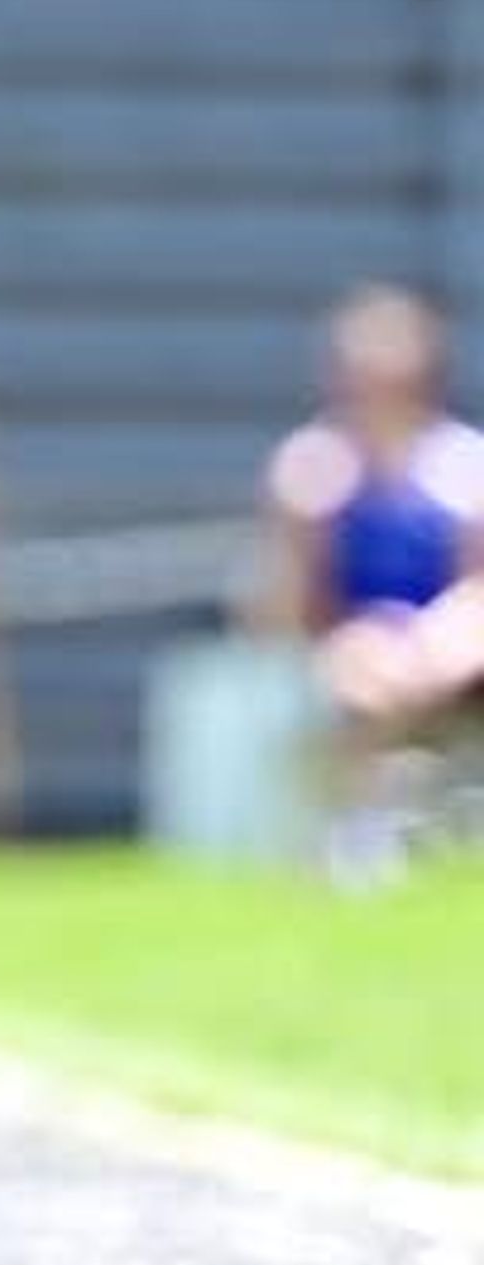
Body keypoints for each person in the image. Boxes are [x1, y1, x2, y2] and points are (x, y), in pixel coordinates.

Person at [261, 285, 484, 878]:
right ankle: (373, 823)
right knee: (364, 674)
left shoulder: (462, 465)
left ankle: (384, 820)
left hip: (448, 643)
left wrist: (427, 645)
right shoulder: (316, 465)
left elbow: (477, 587)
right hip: (353, 641)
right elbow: (298, 597)